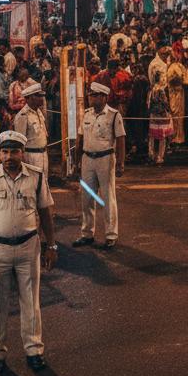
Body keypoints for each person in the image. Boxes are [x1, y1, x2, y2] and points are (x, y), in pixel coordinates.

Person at [0, 130, 57, 375]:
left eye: (14, 151)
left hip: (28, 246)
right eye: (4, 151)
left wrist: (52, 245)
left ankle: (34, 351)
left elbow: (46, 213)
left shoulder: (36, 177)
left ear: (22, 152)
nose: (9, 156)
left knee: (31, 301)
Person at [73, 82, 126, 250]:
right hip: (87, 159)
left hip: (105, 159)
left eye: (94, 95)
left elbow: (121, 139)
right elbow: (80, 139)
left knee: (108, 197)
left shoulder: (113, 115)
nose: (91, 98)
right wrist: (76, 162)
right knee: (86, 198)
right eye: (90, 95)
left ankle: (111, 235)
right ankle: (87, 233)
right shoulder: (87, 114)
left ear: (103, 97)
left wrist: (121, 163)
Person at [10, 82, 49, 174]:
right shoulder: (22, 116)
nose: (41, 99)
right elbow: (19, 142)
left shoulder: (38, 112)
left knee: (43, 182)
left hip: (43, 154)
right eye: (38, 96)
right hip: (31, 156)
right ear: (30, 98)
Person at [147, 71, 173, 165]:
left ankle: (151, 154)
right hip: (161, 115)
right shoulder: (161, 90)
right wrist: (169, 111)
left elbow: (148, 104)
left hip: (153, 115)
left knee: (152, 137)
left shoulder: (151, 89)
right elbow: (165, 102)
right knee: (162, 137)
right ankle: (160, 157)